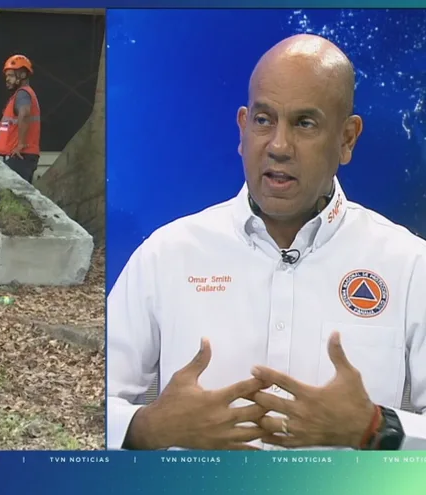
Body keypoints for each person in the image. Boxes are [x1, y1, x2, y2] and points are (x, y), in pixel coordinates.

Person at [107, 34, 426, 452]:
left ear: (347, 138)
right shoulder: (166, 255)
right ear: (242, 128)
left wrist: (375, 427)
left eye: (304, 123)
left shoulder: (408, 265)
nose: (278, 146)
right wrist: (146, 428)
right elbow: (84, 407)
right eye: (263, 120)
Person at [0, 54, 41, 184]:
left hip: (21, 156)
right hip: (20, 156)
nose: (7, 79)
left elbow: (24, 114)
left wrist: (20, 145)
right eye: (6, 76)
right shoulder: (21, 94)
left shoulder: (22, 94)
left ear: (22, 75)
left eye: (10, 75)